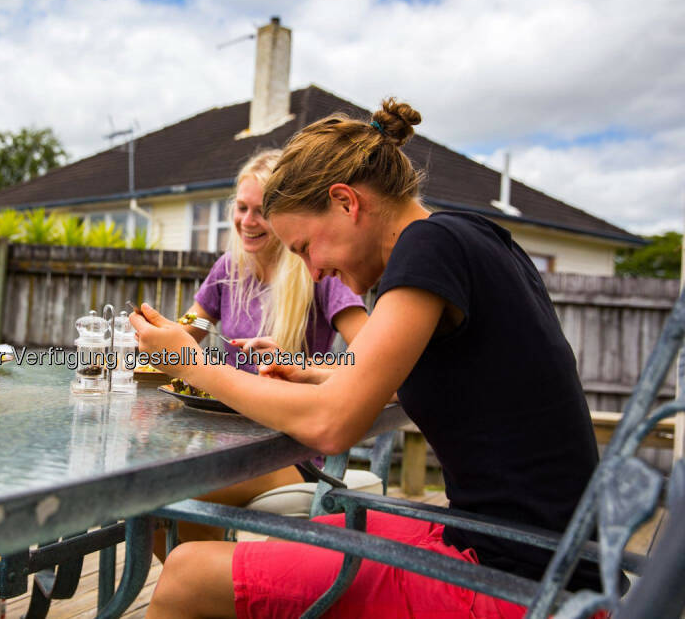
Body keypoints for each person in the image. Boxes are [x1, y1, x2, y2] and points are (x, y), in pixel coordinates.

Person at [132, 99, 601, 618]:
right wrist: (317, 370)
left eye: (306, 246)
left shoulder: (429, 247)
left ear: (345, 202)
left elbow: (332, 427)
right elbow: (445, 379)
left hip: (522, 585)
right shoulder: (472, 236)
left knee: (186, 576)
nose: (312, 272)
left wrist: (188, 362)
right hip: (532, 554)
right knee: (294, 541)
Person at [157, 149, 367, 555]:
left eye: (261, 212)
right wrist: (153, 338)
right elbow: (191, 330)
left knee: (155, 495)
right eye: (241, 208)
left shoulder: (319, 270)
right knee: (149, 502)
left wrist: (299, 365)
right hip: (225, 443)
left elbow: (372, 359)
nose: (247, 222)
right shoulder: (228, 269)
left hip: (292, 454)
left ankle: (218, 590)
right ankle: (215, 589)